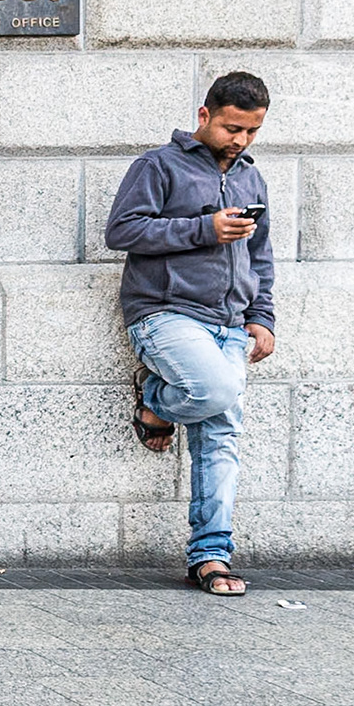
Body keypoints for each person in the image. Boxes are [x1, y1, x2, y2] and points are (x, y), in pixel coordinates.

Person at [105, 72, 276, 597]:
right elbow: (122, 231)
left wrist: (262, 316)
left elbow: (261, 255)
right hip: (165, 312)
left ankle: (211, 556)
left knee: (221, 436)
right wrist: (204, 228)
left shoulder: (250, 177)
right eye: (231, 128)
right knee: (216, 392)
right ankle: (156, 397)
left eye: (251, 131)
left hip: (229, 324)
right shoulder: (158, 166)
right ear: (204, 117)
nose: (240, 140)